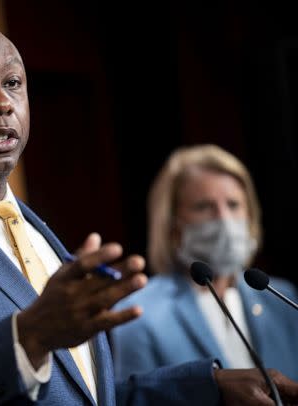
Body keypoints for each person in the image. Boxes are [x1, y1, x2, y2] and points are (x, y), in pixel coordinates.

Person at [0, 19, 298, 405]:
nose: (1, 102)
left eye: (12, 82)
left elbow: (82, 393)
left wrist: (207, 388)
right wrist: (27, 337)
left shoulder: (37, 234)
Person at [112, 144, 298, 383]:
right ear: (172, 224)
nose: (224, 219)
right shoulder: (138, 312)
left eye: (233, 205)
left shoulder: (281, 298)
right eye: (203, 207)